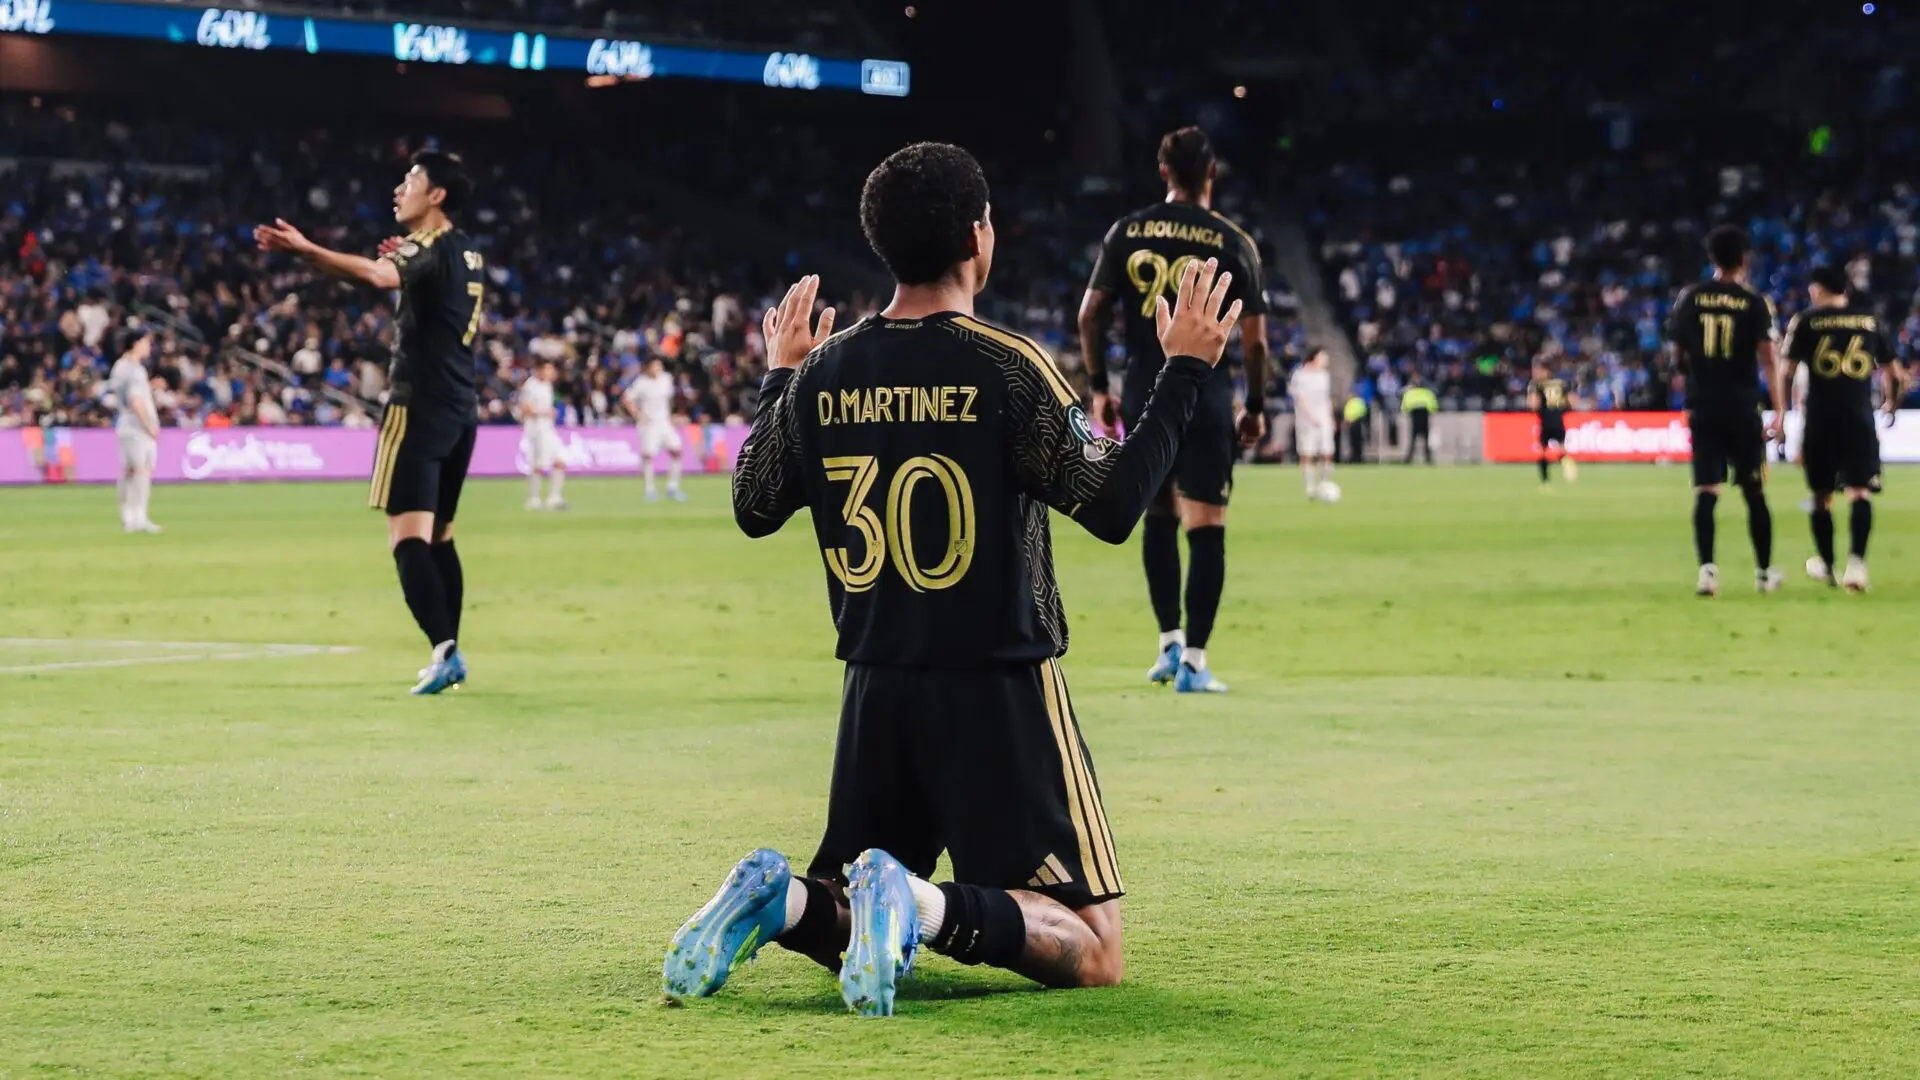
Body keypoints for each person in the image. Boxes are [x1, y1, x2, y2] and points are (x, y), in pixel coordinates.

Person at [661, 142, 1241, 1017]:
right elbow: (1116, 504)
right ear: (979, 237)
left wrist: (779, 375)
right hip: (997, 685)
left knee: (840, 905)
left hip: (875, 688)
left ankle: (777, 901)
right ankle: (921, 904)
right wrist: (1184, 369)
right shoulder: (1004, 364)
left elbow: (751, 501)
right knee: (1093, 947)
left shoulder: (824, 370)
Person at [255, 150, 484, 693]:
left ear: (437, 196)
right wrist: (406, 268)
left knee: (407, 539)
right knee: (441, 537)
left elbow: (380, 276)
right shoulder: (466, 250)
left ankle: (444, 649)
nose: (399, 189)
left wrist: (308, 251)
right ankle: (449, 650)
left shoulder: (423, 247)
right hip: (461, 407)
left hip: (417, 405)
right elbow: (421, 283)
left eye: (411, 180)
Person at [1076, 127, 1269, 693]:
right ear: (1211, 174)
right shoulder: (1234, 242)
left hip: (1143, 390)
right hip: (1207, 395)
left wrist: (1100, 387)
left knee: (1156, 514)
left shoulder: (1126, 232)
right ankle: (1197, 665)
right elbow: (1255, 342)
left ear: (1163, 172)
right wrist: (1254, 406)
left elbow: (1090, 315)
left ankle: (1168, 645)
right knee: (1205, 527)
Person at [1665, 224, 1782, 597]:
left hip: (1704, 406)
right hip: (1742, 406)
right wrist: (1779, 408)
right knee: (1754, 492)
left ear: (1711, 258)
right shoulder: (1753, 302)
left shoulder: (1690, 298)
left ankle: (1707, 573)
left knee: (1706, 491)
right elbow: (1768, 360)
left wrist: (1697, 377)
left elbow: (1678, 357)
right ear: (1744, 258)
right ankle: (1763, 574)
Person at [1776, 266, 1903, 591]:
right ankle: (1857, 567)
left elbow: (1785, 371)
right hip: (1858, 418)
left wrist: (1783, 413)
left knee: (1820, 496)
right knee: (1859, 491)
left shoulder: (1806, 321)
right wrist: (1890, 403)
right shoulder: (1869, 321)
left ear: (1818, 290)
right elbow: (1895, 373)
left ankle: (1828, 566)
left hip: (1819, 420)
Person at [108, 329, 162, 534]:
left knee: (131, 471)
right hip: (136, 427)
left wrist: (150, 387)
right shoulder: (132, 369)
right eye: (146, 342)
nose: (149, 347)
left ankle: (130, 516)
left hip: (127, 426)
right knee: (141, 471)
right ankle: (138, 517)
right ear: (136, 343)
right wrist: (149, 425)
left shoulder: (123, 367)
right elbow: (135, 400)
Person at [623, 357, 684, 501]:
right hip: (650, 425)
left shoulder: (666, 379)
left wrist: (672, 415)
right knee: (648, 456)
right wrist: (638, 415)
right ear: (648, 367)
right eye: (655, 366)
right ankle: (650, 490)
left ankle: (672, 487)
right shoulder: (641, 382)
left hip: (665, 422)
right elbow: (627, 398)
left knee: (676, 451)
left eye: (659, 365)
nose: (658, 368)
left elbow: (669, 399)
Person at [516, 359, 567, 511]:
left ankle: (554, 498)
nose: (552, 372)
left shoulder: (547, 385)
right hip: (537, 430)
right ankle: (533, 499)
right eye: (548, 369)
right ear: (539, 370)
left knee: (561, 460)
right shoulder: (531, 386)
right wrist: (544, 412)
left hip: (549, 428)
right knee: (539, 465)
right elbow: (524, 409)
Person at [1288, 348, 1335, 498]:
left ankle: (1324, 483)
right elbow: (1300, 398)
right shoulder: (1300, 375)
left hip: (1323, 419)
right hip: (1306, 420)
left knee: (1327, 452)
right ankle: (1309, 488)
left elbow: (1326, 398)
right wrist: (1310, 416)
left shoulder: (1324, 375)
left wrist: (1331, 417)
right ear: (1314, 358)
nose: (1326, 360)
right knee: (1307, 453)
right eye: (1323, 357)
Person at [1525, 360, 1578, 487]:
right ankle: (1567, 464)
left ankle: (1545, 481)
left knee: (1542, 451)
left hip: (1546, 419)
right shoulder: (1561, 383)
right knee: (1561, 447)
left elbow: (1533, 404)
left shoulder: (1537, 384)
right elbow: (1573, 402)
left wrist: (1532, 407)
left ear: (1545, 371)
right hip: (1558, 419)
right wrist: (1563, 408)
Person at [1400, 370, 1439, 464]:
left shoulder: (1409, 393)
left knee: (1413, 439)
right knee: (1425, 439)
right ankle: (1428, 459)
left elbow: (1404, 408)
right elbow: (1434, 407)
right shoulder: (1428, 393)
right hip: (1424, 416)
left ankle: (1409, 459)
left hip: (1415, 417)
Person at [1342, 391, 1369, 463]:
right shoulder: (1353, 402)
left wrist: (1350, 419)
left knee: (1357, 442)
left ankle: (1358, 458)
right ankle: (1355, 457)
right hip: (1351, 423)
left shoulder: (1357, 402)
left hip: (1356, 423)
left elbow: (1360, 412)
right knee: (1353, 442)